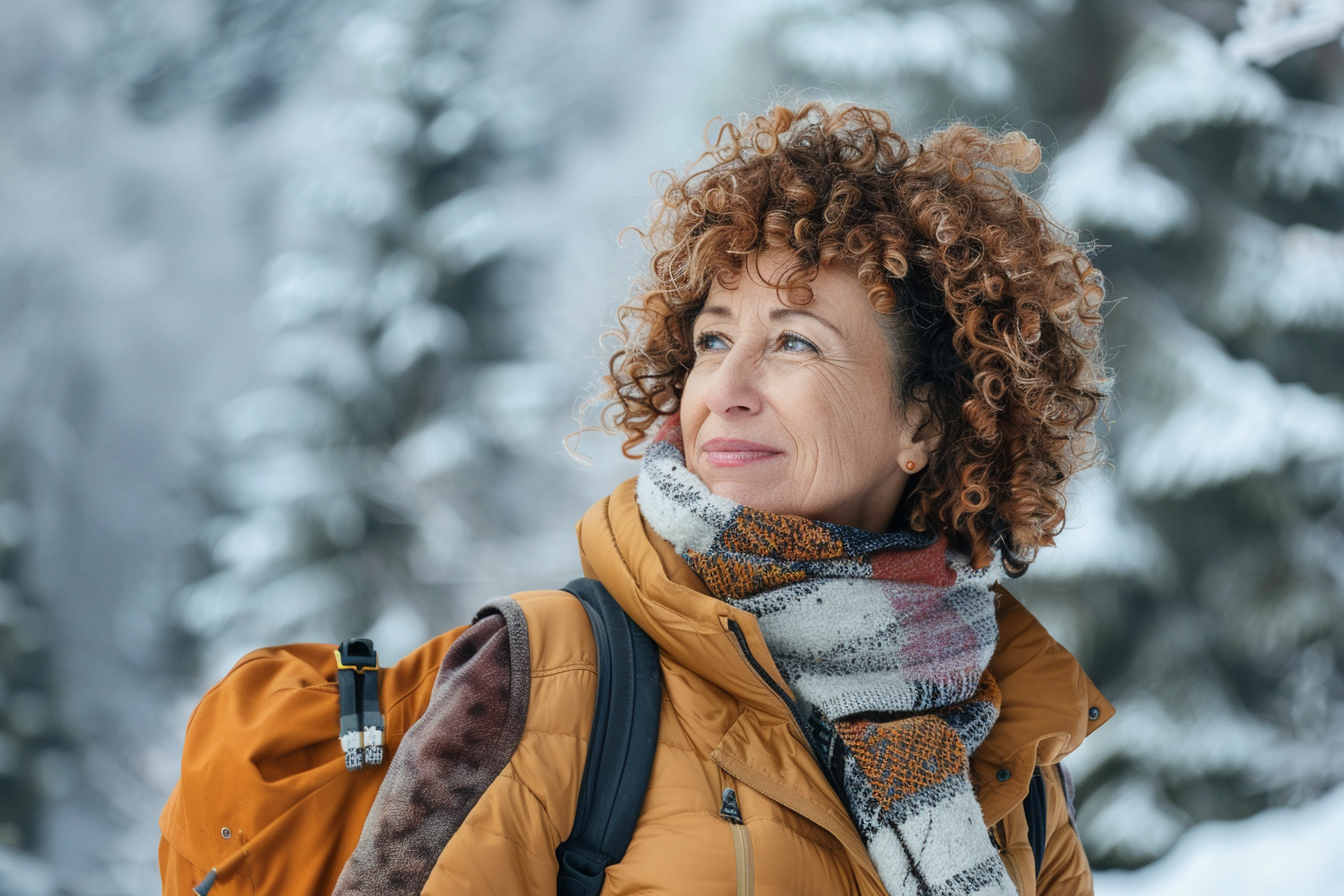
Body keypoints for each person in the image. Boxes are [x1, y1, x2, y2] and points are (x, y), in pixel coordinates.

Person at [333, 102, 1113, 896]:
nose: (727, 390)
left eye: (795, 341)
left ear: (924, 420)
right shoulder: (550, 680)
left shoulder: (1011, 751)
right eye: (712, 340)